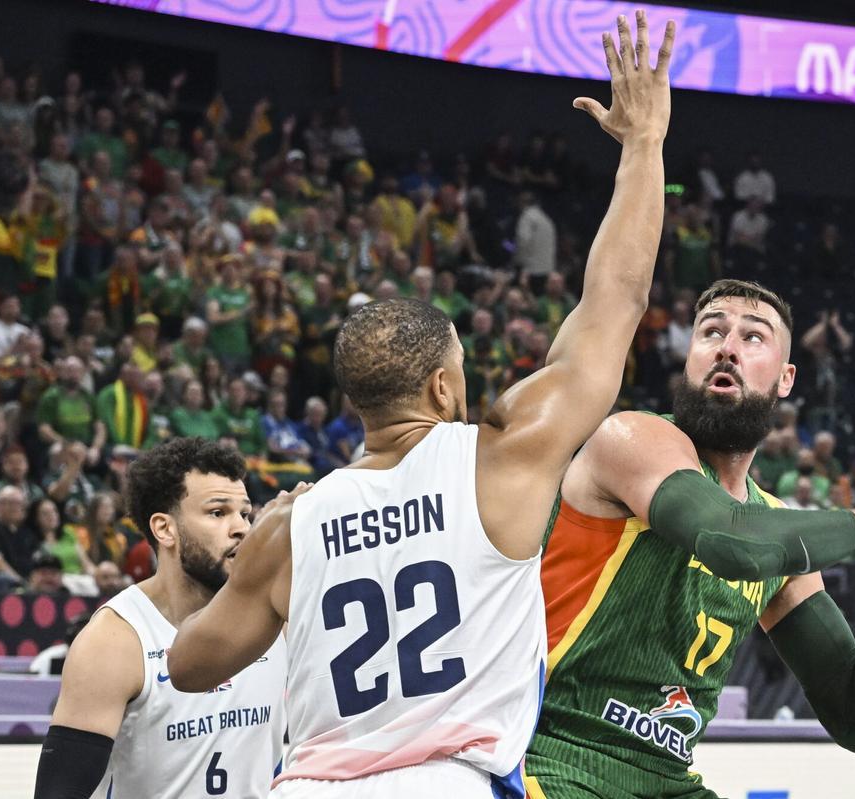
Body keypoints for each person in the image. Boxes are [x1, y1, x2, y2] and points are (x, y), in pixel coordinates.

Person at [167, 14, 678, 797]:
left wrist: (259, 548)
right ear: (443, 386)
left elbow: (189, 664)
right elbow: (617, 297)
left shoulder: (293, 526)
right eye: (462, 370)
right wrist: (644, 145)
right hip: (445, 782)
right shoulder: (502, 453)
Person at [521, 278, 855, 798]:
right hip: (557, 755)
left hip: (665, 780)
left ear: (786, 378)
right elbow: (731, 541)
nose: (726, 347)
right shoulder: (630, 439)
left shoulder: (773, 526)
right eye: (710, 332)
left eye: (753, 337)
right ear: (689, 359)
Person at [34, 438, 286, 798]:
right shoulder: (114, 639)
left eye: (245, 513)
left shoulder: (276, 614)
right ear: (164, 529)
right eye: (218, 512)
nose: (241, 528)